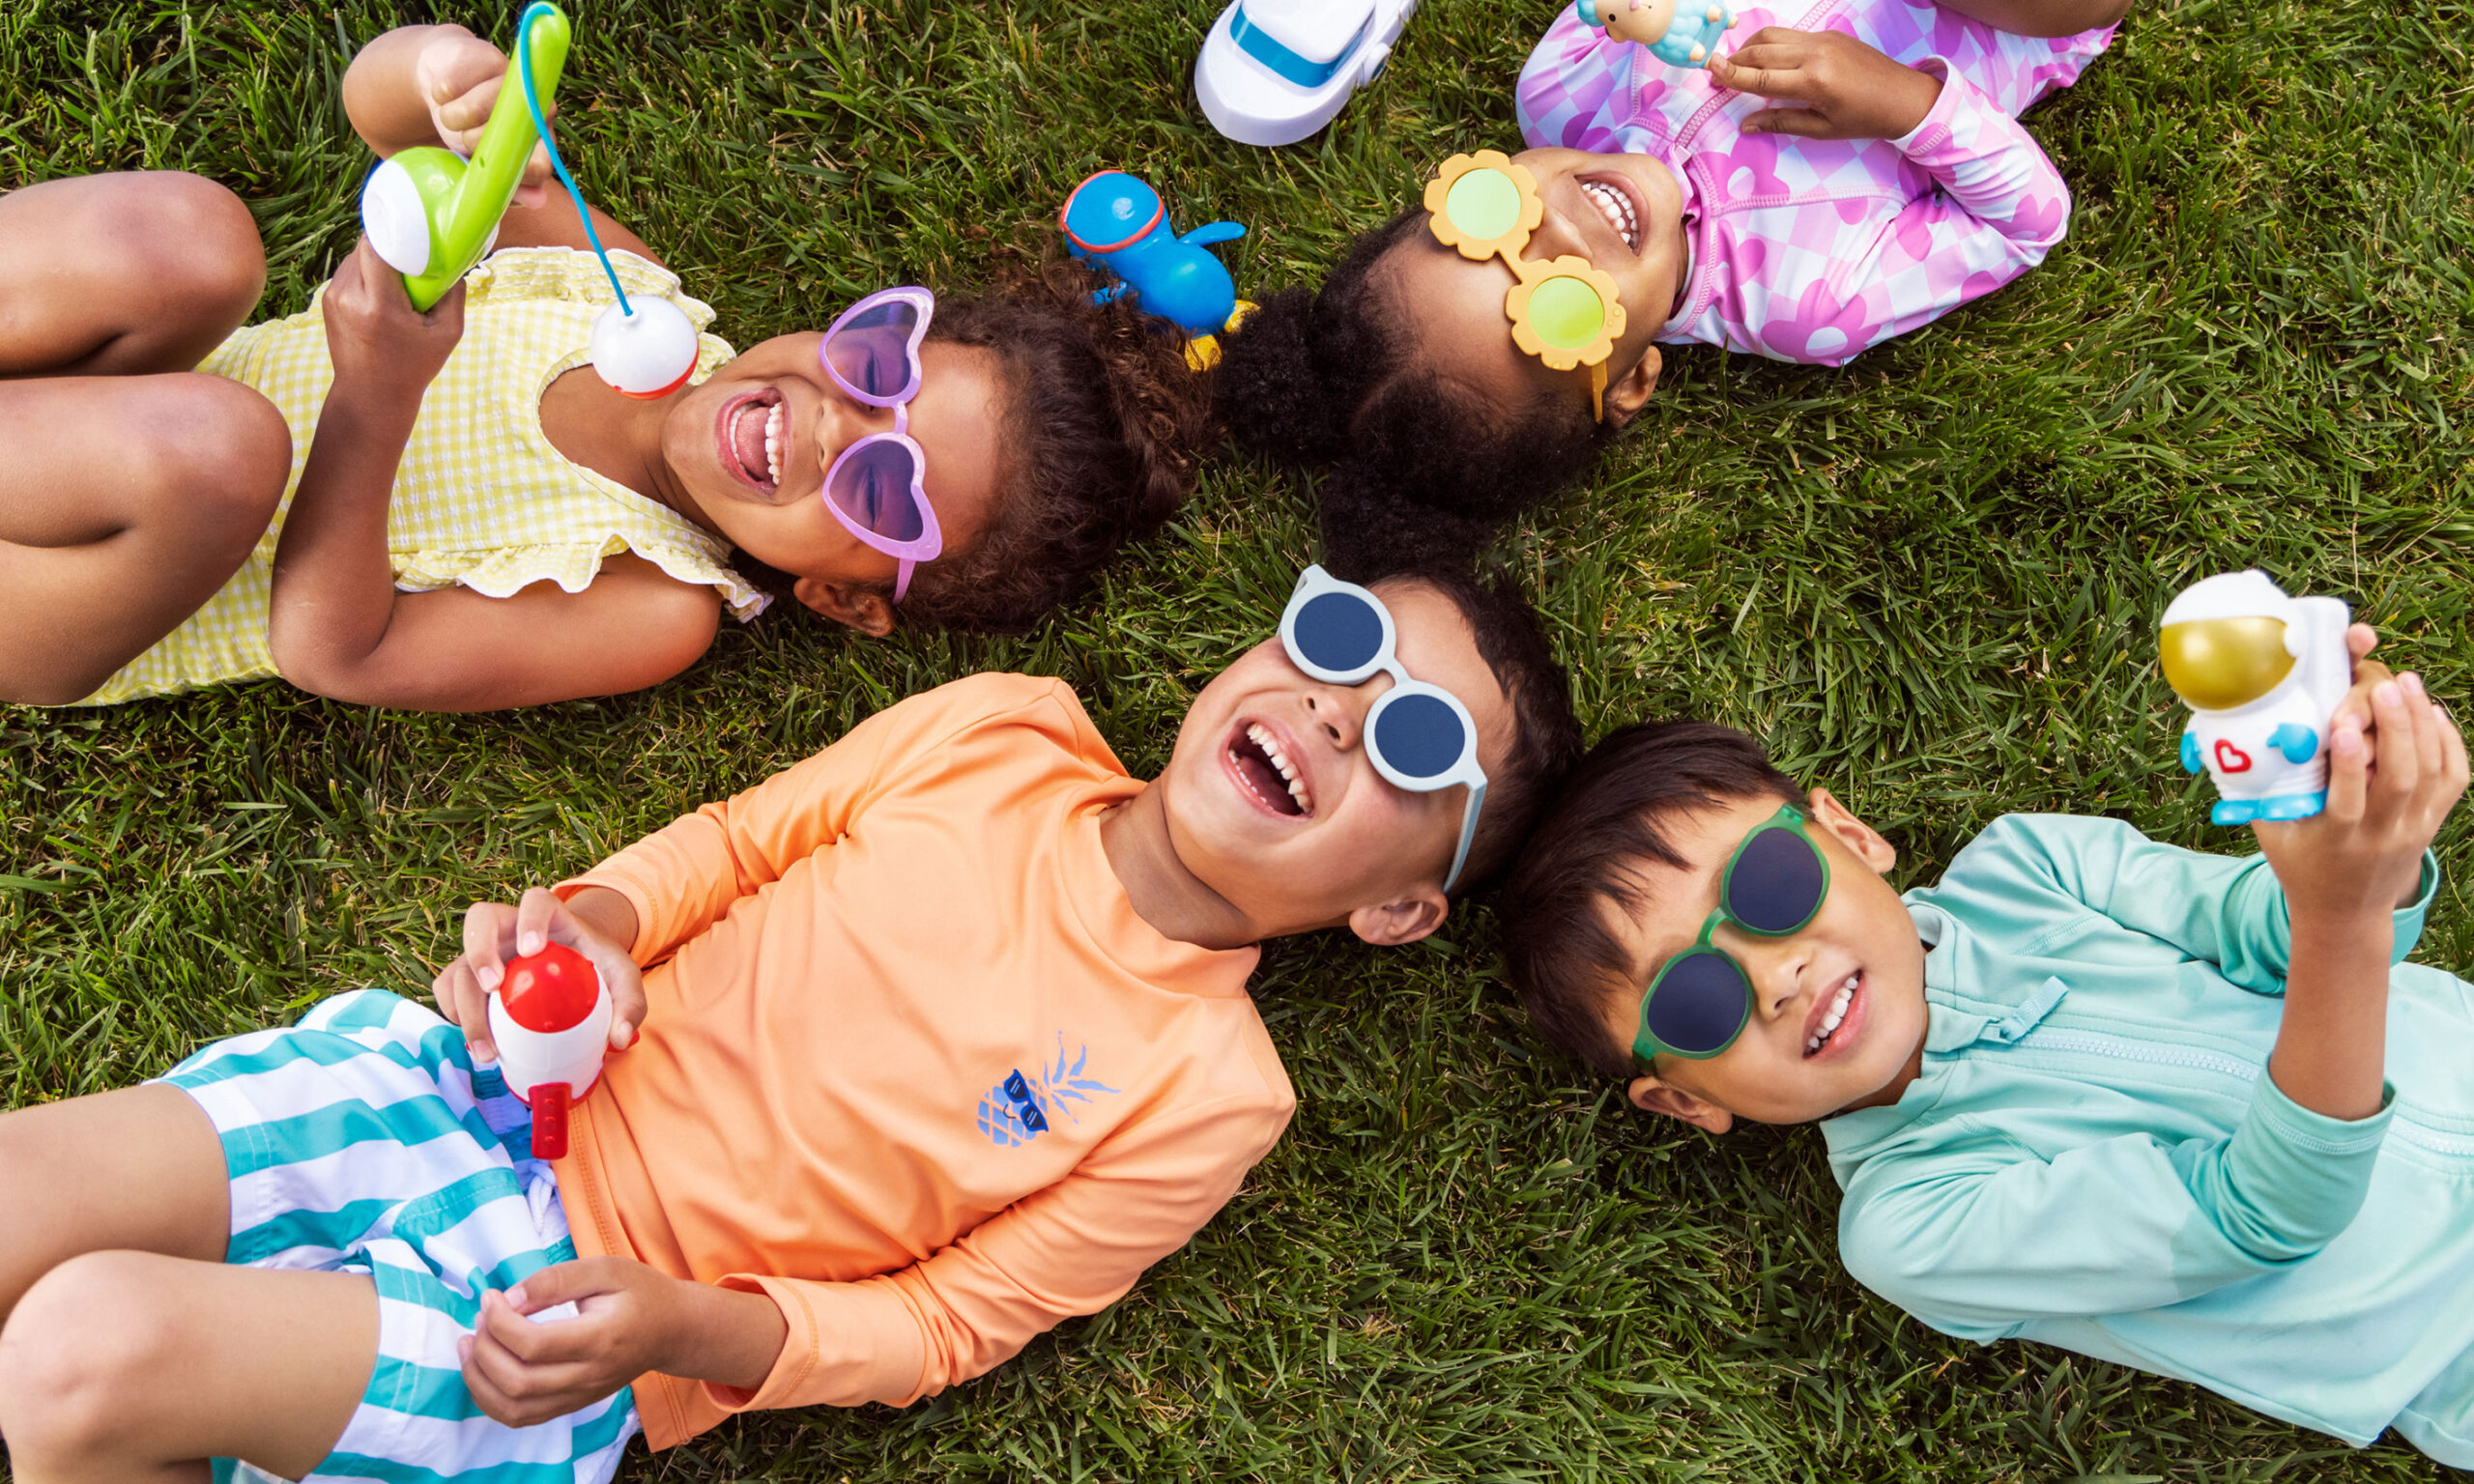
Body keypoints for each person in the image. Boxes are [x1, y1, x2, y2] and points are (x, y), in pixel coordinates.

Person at [0, 561, 1583, 1482]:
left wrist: (686, 1334)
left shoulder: (1209, 1092)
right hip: (452, 1080)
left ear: (1397, 909)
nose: (1331, 710)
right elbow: (731, 847)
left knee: (85, 1348)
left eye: (1411, 741)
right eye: (1334, 643)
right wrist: (589, 937)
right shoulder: (1005, 731)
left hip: (569, 1320)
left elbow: (947, 1327)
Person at [0, 21, 1207, 709]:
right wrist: (441, 80)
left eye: (880, 490)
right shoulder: (619, 291)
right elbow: (389, 119)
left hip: (71, 591)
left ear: (842, 596)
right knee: (195, 238)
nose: (835, 425)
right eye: (876, 364)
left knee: (222, 451)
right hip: (85, 423)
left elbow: (338, 654)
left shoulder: (655, 602)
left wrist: (379, 395)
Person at [1495, 632, 2474, 1465]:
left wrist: (2340, 808)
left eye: (1767, 883)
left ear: (1847, 832)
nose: (1772, 977)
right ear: (1684, 1101)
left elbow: (2272, 930)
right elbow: (2260, 1213)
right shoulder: (1913, 1224)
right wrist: (2343, 919)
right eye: (1694, 999)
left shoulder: (2031, 867)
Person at [1217, 0, 2122, 568]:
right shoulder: (1807, 305)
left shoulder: (1561, 93)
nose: (1562, 227)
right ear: (1633, 378)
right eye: (1555, 306)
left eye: (1490, 216)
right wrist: (1906, 105)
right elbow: (2025, 222)